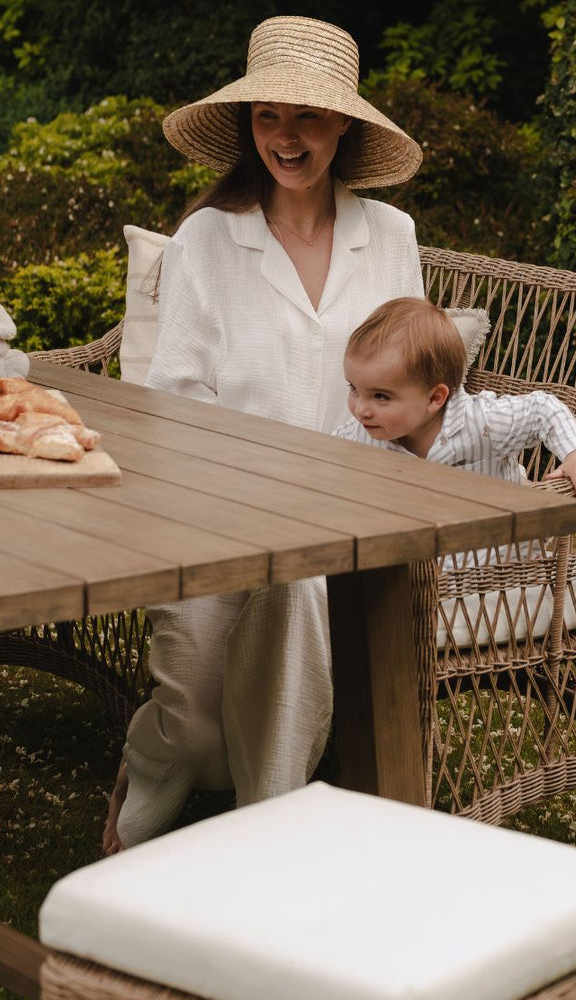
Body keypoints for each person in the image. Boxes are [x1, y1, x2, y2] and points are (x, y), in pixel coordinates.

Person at [103, 16, 425, 854]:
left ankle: (265, 834)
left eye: (308, 117)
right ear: (248, 127)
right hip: (215, 507)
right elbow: (173, 398)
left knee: (301, 589)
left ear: (344, 126)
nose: (286, 137)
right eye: (268, 117)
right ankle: (157, 757)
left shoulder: (390, 238)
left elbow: (419, 390)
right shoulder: (207, 237)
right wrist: (249, 496)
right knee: (196, 728)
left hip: (349, 516)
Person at [334, 297, 576, 495]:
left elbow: (541, 409)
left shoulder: (483, 422)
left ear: (434, 399)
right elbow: (325, 461)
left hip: (500, 559)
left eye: (380, 396)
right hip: (423, 559)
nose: (361, 410)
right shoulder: (360, 435)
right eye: (354, 388)